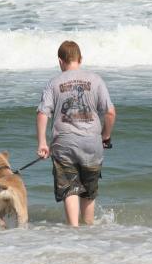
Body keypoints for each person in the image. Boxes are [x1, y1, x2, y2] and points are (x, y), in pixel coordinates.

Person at [36, 40, 116, 226]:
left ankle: (73, 230)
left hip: (64, 144)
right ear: (80, 59)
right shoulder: (96, 80)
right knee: (88, 192)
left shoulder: (54, 83)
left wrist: (42, 143)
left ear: (60, 61)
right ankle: (88, 228)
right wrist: (105, 135)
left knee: (69, 189)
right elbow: (110, 113)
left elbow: (42, 113)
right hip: (92, 144)